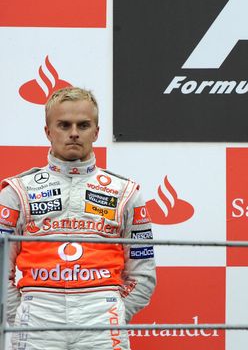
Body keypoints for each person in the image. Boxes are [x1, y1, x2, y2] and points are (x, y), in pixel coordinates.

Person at [0, 87, 156, 350]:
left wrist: (114, 311)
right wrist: (21, 315)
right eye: (63, 125)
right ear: (48, 131)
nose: (74, 132)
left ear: (96, 131)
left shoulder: (125, 192)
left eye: (83, 125)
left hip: (101, 314)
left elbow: (143, 272)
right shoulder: (17, 191)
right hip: (38, 316)